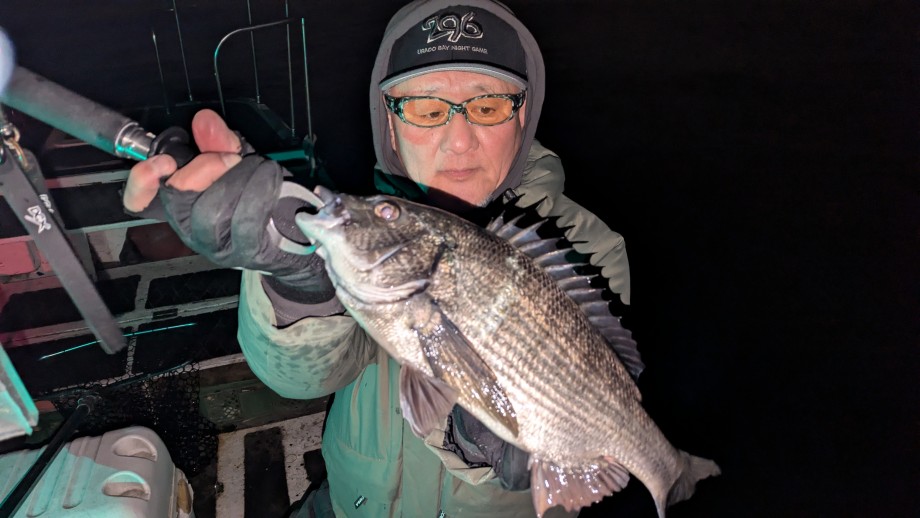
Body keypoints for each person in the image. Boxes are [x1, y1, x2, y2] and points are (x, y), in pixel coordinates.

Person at [123, 0, 631, 516]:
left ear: (521, 116)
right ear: (389, 125)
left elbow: (579, 425)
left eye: (488, 107)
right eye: (427, 110)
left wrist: (486, 435)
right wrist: (299, 281)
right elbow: (299, 381)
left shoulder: (587, 249)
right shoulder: (369, 238)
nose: (459, 141)